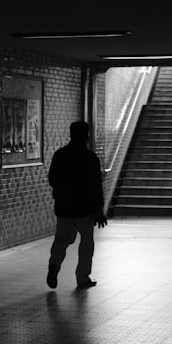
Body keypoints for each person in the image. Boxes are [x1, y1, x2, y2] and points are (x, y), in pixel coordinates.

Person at [46, 120, 107, 289]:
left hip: (64, 208)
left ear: (71, 134)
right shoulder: (90, 158)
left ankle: (54, 265)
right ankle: (82, 277)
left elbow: (52, 180)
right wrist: (99, 210)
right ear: (86, 136)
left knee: (61, 240)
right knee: (86, 243)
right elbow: (96, 186)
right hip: (84, 210)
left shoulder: (60, 155)